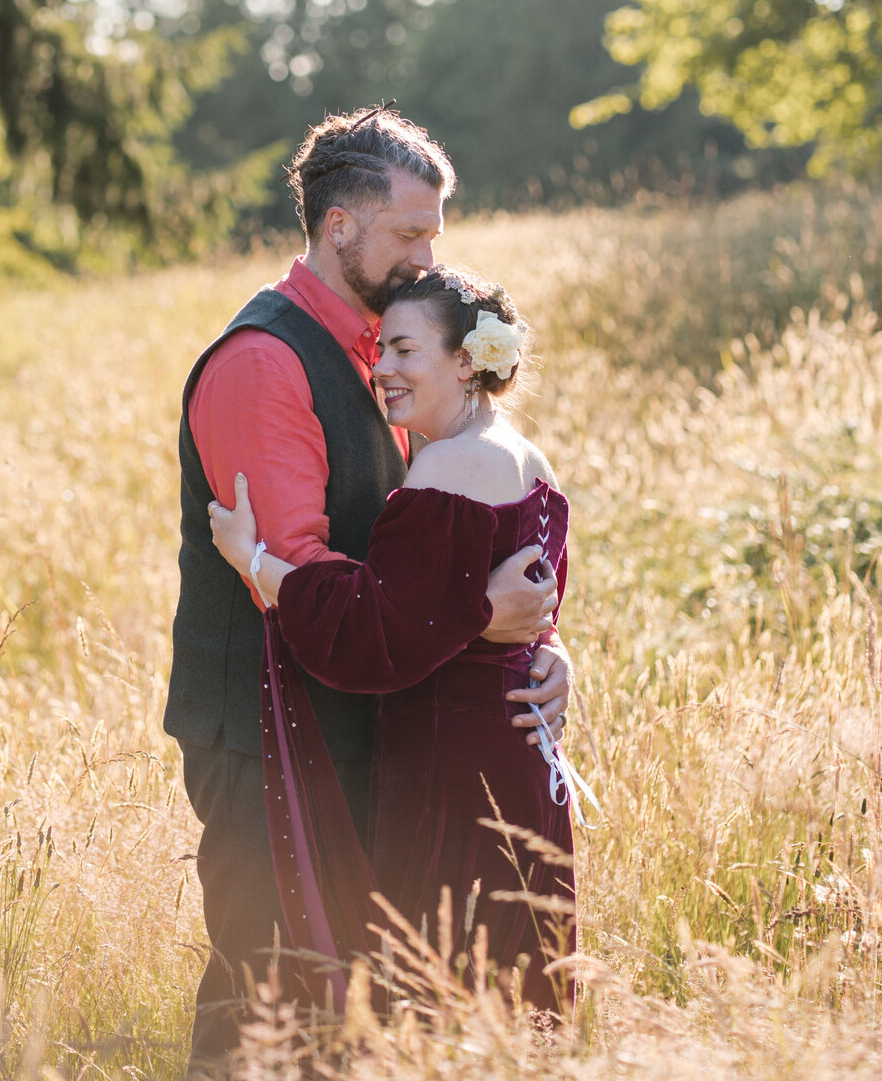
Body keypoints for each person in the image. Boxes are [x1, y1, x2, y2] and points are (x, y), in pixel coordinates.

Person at [164, 107, 573, 1071]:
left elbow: (445, 556)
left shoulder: (386, 355)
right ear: (339, 226)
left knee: (351, 1002)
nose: (431, 251)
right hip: (266, 724)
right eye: (411, 231)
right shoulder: (263, 362)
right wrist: (477, 620)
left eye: (436, 229)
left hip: (355, 706)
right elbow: (290, 571)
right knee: (269, 990)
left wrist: (534, 645)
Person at [210, 263, 595, 1019]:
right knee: (509, 974)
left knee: (445, 974)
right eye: (380, 349)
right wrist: (549, 647)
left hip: (458, 759)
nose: (382, 369)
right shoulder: (525, 458)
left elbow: (376, 629)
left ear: (465, 361)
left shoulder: (449, 468)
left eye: (405, 351)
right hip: (515, 749)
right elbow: (533, 605)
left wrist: (255, 562)